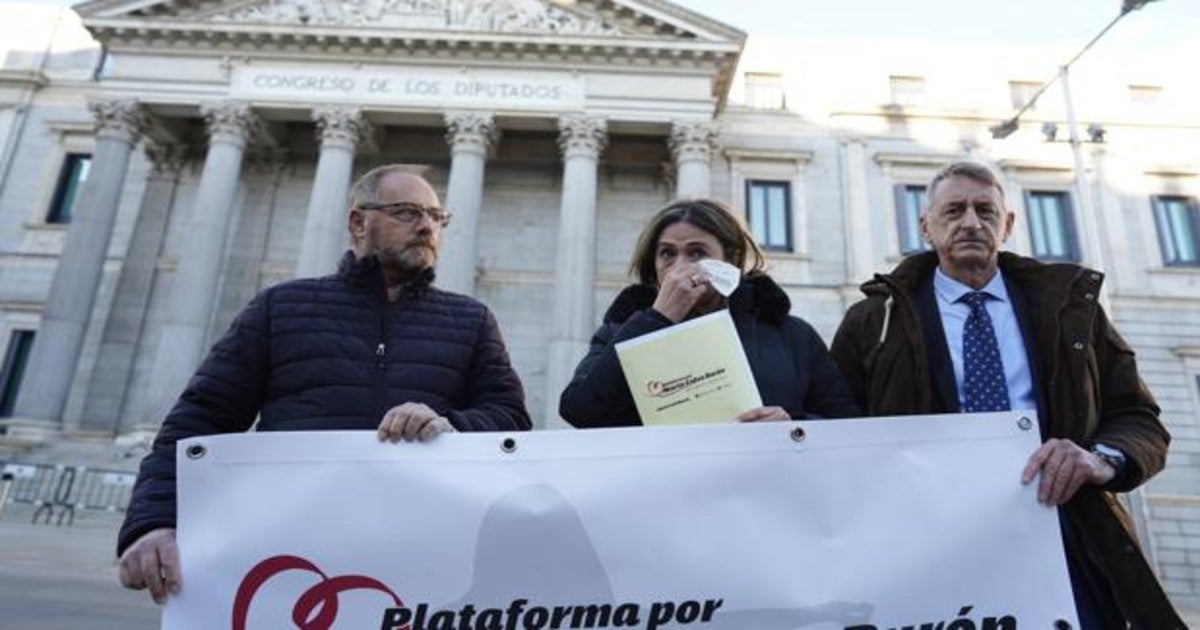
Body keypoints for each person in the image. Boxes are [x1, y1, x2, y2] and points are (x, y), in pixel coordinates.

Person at [117, 166, 531, 604]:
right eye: (407, 212)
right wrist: (154, 522)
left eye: (435, 216)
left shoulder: (471, 320)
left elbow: (511, 420)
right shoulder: (281, 308)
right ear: (358, 222)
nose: (426, 226)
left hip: (420, 554)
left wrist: (449, 425)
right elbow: (201, 419)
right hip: (290, 552)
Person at [829, 161, 1182, 628]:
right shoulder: (875, 321)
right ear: (925, 227)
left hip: (1063, 533)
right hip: (926, 549)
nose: (971, 223)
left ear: (1009, 224)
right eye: (954, 210)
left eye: (986, 211)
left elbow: (1138, 416)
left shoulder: (1071, 312)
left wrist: (1100, 458)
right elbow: (834, 430)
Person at [560, 198, 860, 427]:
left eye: (696, 253)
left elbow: (845, 421)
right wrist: (657, 320)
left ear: (731, 259)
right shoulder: (622, 329)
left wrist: (793, 426)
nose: (680, 267)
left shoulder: (791, 334)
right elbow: (580, 410)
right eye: (667, 253)